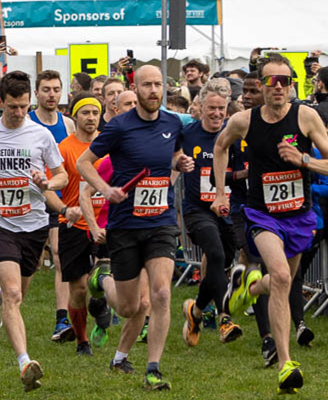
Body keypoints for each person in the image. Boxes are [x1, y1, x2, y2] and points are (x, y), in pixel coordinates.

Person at [76, 65, 194, 390]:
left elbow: (174, 156)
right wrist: (105, 188)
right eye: (147, 85)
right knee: (130, 307)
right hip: (126, 226)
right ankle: (103, 281)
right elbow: (82, 163)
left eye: (158, 85)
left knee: (160, 293)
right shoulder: (119, 128)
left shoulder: (173, 123)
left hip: (161, 221)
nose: (154, 90)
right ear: (136, 88)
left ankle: (153, 368)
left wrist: (179, 164)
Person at [0, 71, 70, 392]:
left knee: (18, 294)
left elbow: (61, 175)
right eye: (12, 107)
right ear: (0, 103)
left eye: (23, 106)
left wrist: (49, 183)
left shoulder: (40, 136)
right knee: (14, 293)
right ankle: (25, 363)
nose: (19, 113)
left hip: (34, 226)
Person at [213, 56, 316, 394]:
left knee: (278, 282)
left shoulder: (306, 116)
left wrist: (304, 160)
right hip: (262, 214)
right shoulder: (244, 121)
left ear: (292, 84)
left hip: (299, 215)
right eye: (271, 82)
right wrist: (219, 192)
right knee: (285, 278)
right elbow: (219, 147)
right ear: (260, 85)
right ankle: (286, 363)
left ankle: (250, 287)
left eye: (284, 81)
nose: (278, 87)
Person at [178, 90, 244, 349]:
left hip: (227, 210)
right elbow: (171, 159)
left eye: (222, 108)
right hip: (198, 209)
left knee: (222, 262)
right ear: (200, 107)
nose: (217, 114)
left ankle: (196, 310)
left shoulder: (234, 132)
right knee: (214, 255)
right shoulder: (188, 133)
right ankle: (224, 318)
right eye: (211, 108)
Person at [51, 94, 108, 357]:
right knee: (79, 287)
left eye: (95, 113)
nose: (90, 118)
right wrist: (65, 209)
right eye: (85, 112)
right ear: (75, 116)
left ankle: (100, 306)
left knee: (104, 281)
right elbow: (52, 186)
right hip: (74, 225)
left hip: (106, 222)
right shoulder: (64, 148)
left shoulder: (109, 145)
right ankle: (82, 341)